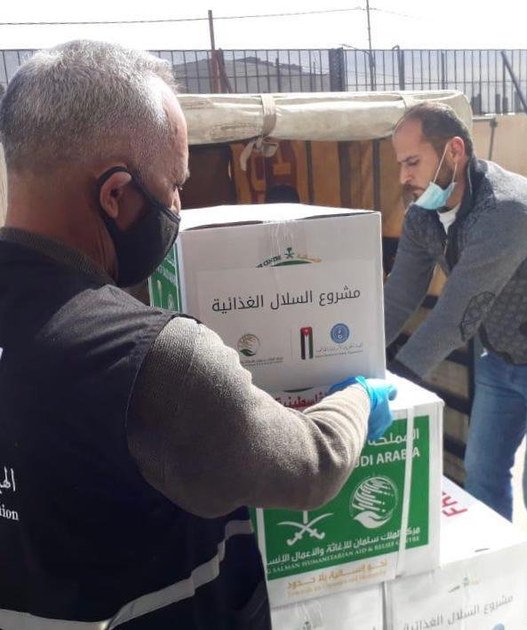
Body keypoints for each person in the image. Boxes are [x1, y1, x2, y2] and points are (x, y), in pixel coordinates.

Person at [0, 40, 396, 629]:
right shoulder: (152, 360)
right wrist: (359, 401)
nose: (179, 205)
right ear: (116, 194)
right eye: (174, 187)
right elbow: (310, 464)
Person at [384, 102, 527, 590]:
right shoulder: (424, 213)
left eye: (412, 162)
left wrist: (390, 385)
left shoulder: (507, 209)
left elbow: (456, 312)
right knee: (482, 480)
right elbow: (400, 295)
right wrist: (359, 360)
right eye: (400, 164)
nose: (404, 177)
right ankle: (495, 593)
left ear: (454, 152)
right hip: (501, 358)